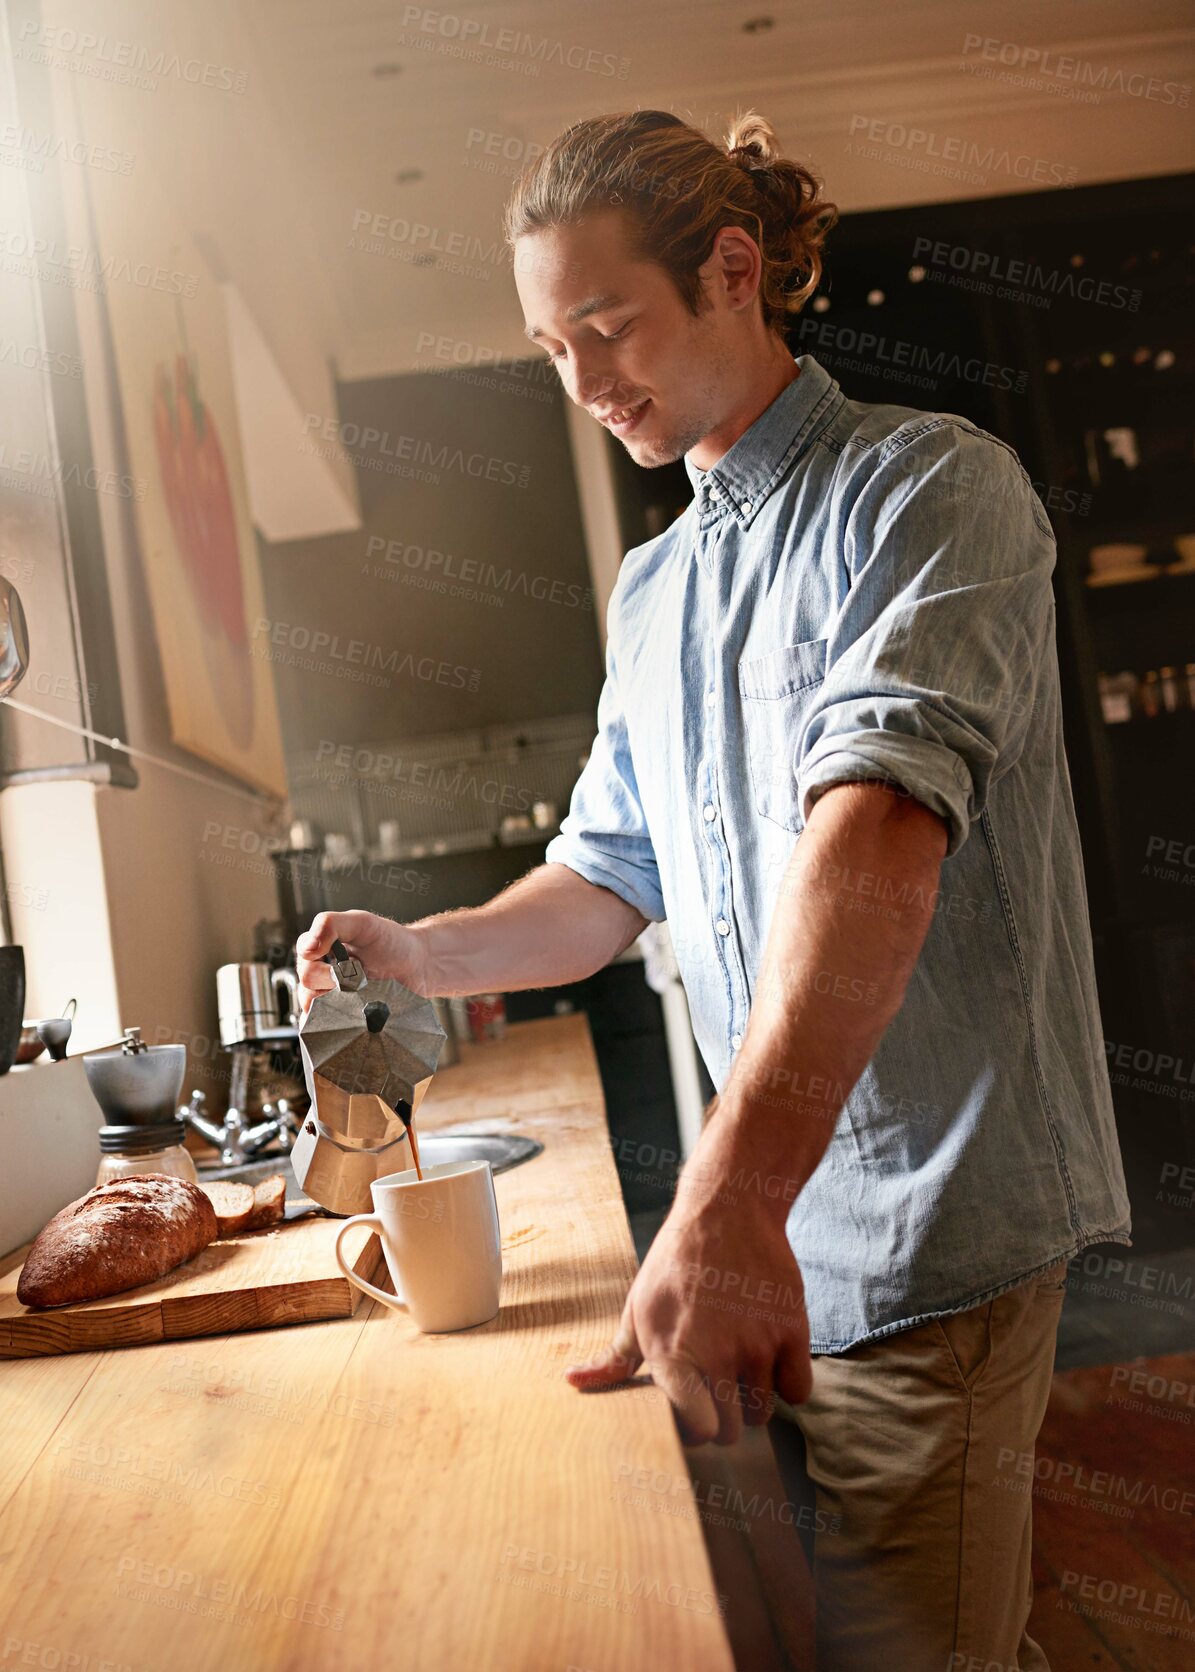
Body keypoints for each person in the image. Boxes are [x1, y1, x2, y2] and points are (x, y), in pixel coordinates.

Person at [297, 110, 1131, 1672]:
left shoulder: (931, 491)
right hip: (762, 1239)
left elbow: (877, 832)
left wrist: (729, 1203)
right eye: (552, 347)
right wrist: (424, 948)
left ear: (735, 272)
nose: (584, 382)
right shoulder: (660, 584)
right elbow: (606, 878)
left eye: (605, 328)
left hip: (922, 1232)